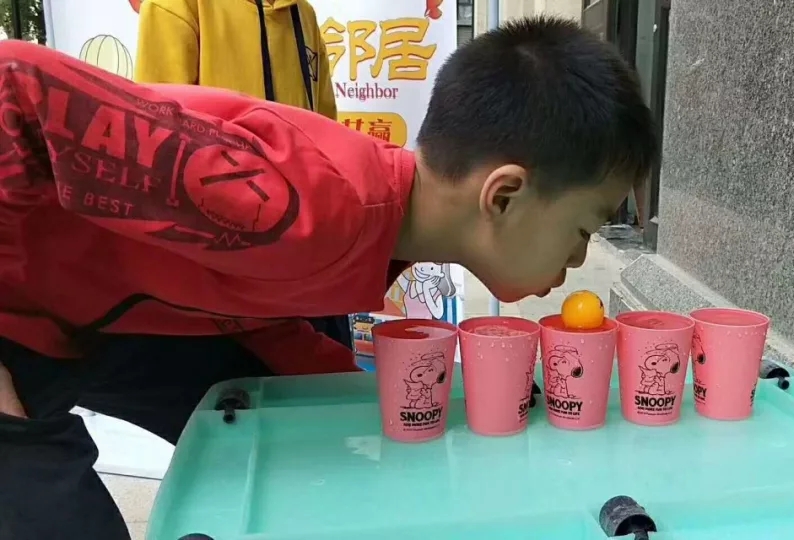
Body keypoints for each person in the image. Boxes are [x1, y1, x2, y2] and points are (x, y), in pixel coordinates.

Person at [0, 15, 658, 540]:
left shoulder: (368, 240)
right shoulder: (299, 202)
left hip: (88, 325)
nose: (579, 260)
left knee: (312, 441)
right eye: (583, 229)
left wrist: (372, 399)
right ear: (504, 196)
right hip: (21, 314)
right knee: (55, 515)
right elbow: (14, 87)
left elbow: (253, 308)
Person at [133, 0, 352, 351]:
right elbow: (158, 137)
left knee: (323, 366)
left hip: (303, 256)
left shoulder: (302, 13)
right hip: (223, 263)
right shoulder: (176, 5)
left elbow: (324, 128)